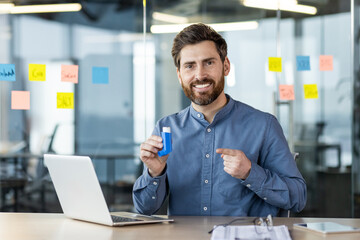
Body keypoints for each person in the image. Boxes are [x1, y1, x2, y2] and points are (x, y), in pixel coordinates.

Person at [132, 23, 306, 216]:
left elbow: (298, 198)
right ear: (179, 75)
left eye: (209, 62)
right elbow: (144, 208)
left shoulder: (264, 125)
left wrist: (250, 173)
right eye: (190, 66)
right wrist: (154, 173)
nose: (200, 75)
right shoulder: (166, 128)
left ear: (226, 66)